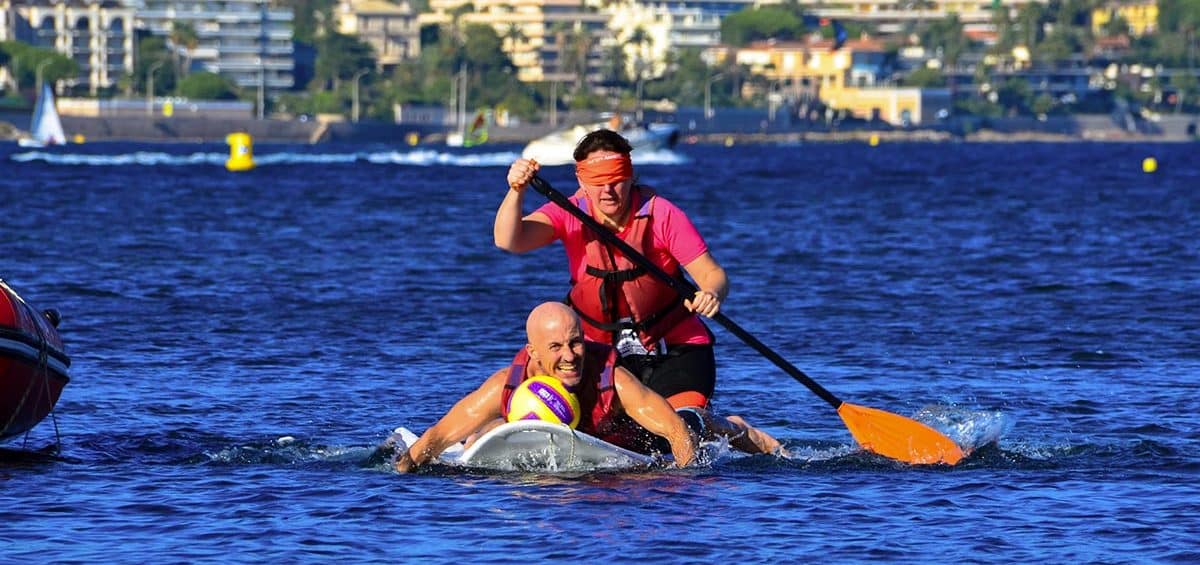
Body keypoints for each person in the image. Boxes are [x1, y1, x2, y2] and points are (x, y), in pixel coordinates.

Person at [496, 129, 780, 455]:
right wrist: (516, 190)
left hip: (673, 350)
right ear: (581, 181)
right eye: (597, 181)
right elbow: (509, 240)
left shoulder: (662, 215)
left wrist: (711, 293)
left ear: (630, 176)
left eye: (616, 179)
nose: (607, 190)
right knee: (621, 436)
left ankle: (736, 429)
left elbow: (713, 275)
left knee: (674, 432)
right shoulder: (569, 212)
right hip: (604, 358)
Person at [393, 302, 696, 472]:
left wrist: (686, 487)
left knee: (697, 422)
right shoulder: (506, 384)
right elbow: (440, 435)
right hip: (548, 450)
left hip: (632, 444)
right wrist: (405, 471)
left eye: (575, 342)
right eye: (555, 347)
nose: (570, 356)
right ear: (533, 352)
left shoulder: (614, 381)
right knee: (485, 429)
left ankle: (740, 429)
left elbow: (676, 432)